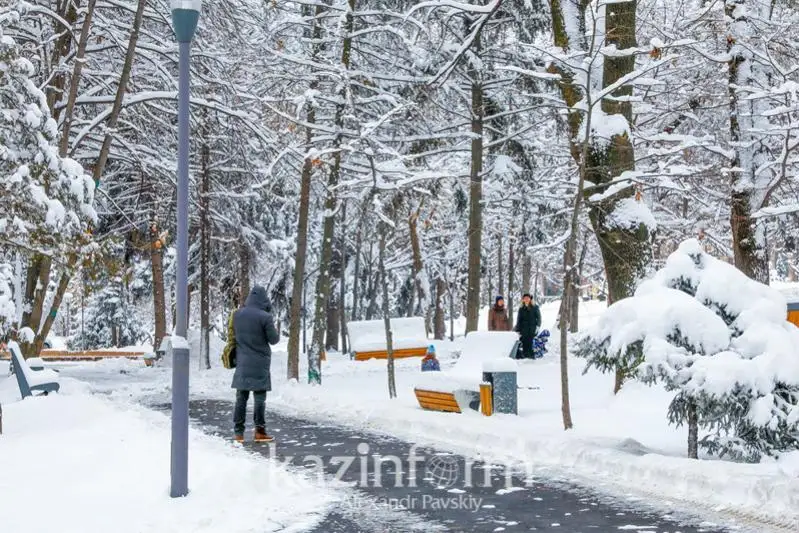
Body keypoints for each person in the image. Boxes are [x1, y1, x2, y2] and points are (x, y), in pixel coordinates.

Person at [232, 285, 280, 443]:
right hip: (259, 363)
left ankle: (238, 434)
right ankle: (259, 431)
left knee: (241, 398)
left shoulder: (237, 314)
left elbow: (233, 336)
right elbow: (274, 340)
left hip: (242, 362)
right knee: (259, 398)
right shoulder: (265, 317)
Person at [514, 293, 541, 359]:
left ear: (530, 299)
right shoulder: (521, 308)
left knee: (530, 342)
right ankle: (525, 356)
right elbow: (519, 319)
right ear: (523, 300)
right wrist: (517, 329)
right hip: (523, 329)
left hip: (532, 328)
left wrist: (538, 326)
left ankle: (531, 356)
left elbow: (539, 317)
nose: (526, 299)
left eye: (528, 298)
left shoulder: (535, 307)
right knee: (524, 342)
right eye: (525, 298)